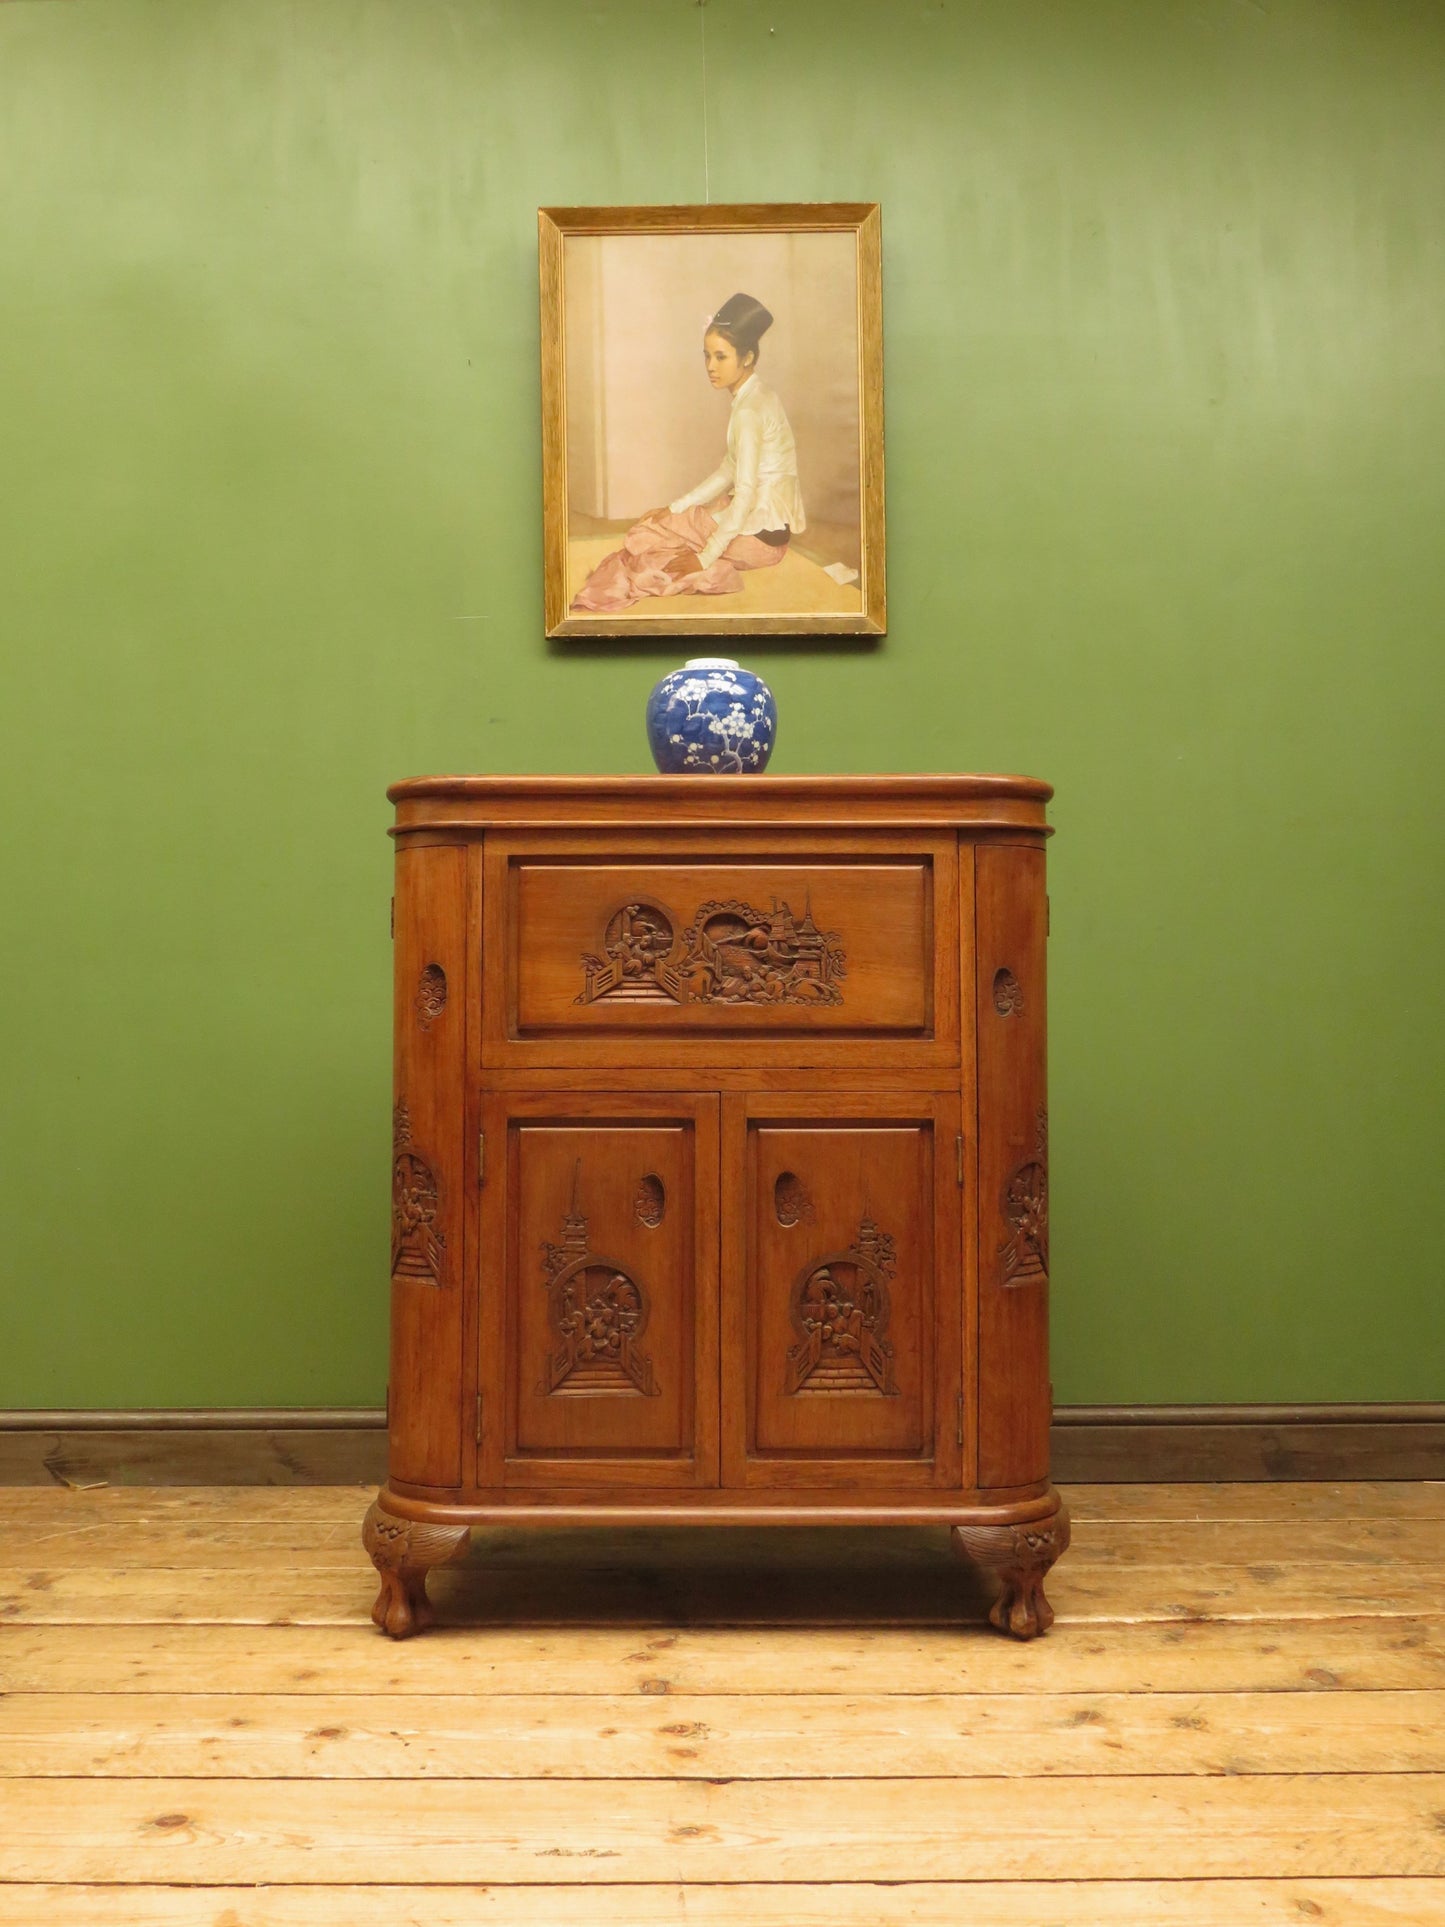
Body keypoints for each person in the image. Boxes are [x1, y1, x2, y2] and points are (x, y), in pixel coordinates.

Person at [570, 292, 807, 612]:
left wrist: (704, 557)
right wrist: (675, 506)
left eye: (721, 357)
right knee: (671, 522)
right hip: (770, 533)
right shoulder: (758, 396)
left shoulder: (750, 412)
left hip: (760, 542)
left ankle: (703, 565)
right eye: (707, 356)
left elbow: (747, 492)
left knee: (645, 536)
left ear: (747, 357)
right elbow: (728, 469)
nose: (711, 366)